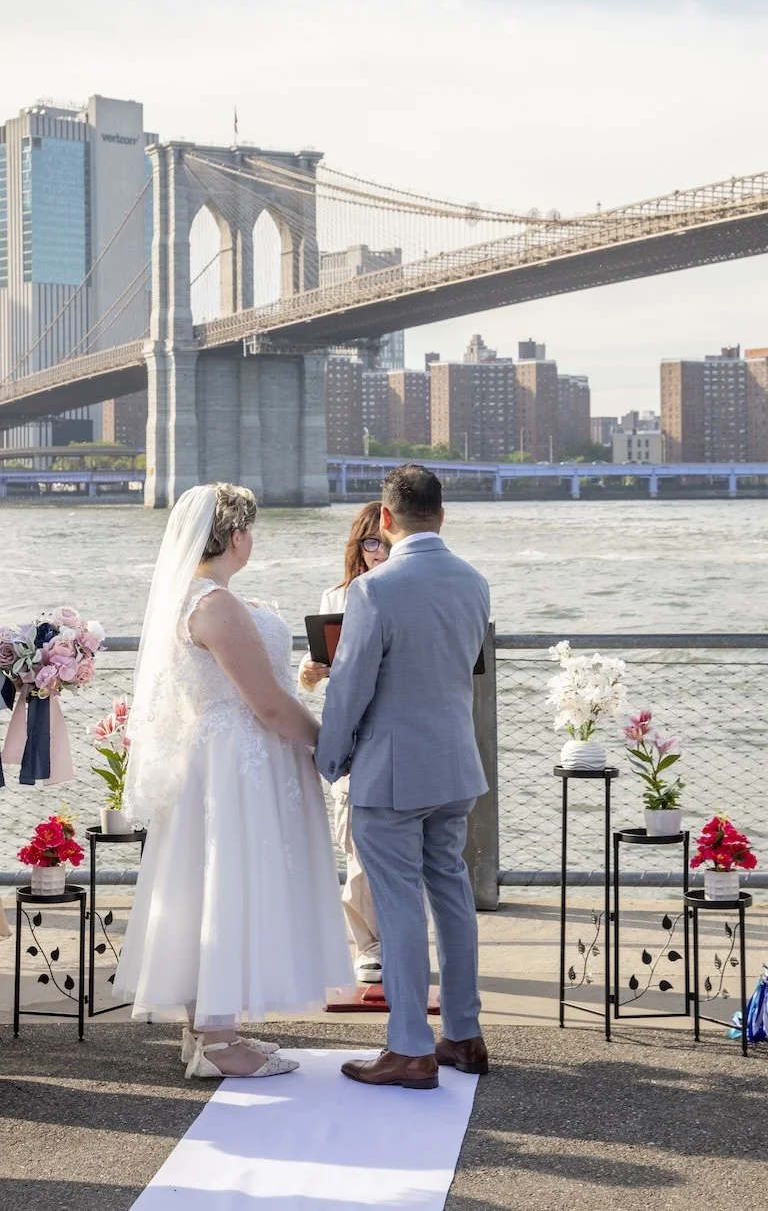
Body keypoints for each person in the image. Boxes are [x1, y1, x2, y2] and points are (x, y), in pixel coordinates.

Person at [114, 483, 352, 1080]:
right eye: (251, 530)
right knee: (228, 882)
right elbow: (267, 704)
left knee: (207, 886)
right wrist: (330, 743)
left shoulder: (191, 598)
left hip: (215, 756)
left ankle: (207, 1033)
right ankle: (219, 1042)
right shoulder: (215, 604)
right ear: (237, 535)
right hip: (238, 759)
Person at [317, 464, 491, 1090]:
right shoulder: (475, 582)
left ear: (385, 521)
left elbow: (352, 688)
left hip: (392, 771)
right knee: (451, 895)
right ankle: (465, 1035)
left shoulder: (374, 591)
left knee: (397, 907)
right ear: (442, 515)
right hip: (456, 764)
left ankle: (411, 1047)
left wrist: (328, 759)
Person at [299, 501, 388, 985]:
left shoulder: (409, 592)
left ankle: (393, 940)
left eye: (386, 540)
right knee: (354, 841)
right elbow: (317, 672)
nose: (378, 550)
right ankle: (367, 945)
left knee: (397, 847)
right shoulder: (337, 598)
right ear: (358, 546)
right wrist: (310, 671)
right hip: (351, 731)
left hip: (395, 728)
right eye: (369, 541)